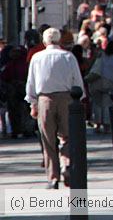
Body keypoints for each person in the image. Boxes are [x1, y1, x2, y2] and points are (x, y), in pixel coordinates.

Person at [25, 28, 85, 189]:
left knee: (48, 139)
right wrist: (80, 99)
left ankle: (53, 177)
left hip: (45, 98)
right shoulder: (68, 57)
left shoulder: (37, 58)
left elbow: (31, 82)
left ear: (44, 42)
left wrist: (33, 103)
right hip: (66, 98)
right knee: (67, 136)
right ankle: (67, 165)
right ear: (59, 41)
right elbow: (77, 81)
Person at [89, 41, 113, 133]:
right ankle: (107, 125)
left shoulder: (101, 56)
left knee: (98, 104)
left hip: (98, 82)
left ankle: (97, 124)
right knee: (108, 104)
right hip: (111, 83)